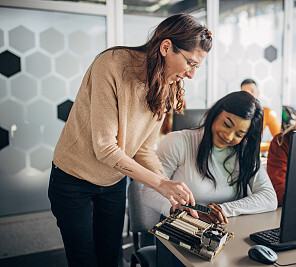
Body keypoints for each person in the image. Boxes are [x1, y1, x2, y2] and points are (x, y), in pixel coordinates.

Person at [48, 13, 212, 267]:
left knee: (111, 257)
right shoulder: (112, 65)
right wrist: (161, 184)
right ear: (166, 47)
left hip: (113, 182)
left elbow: (144, 150)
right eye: (190, 63)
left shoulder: (167, 85)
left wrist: (170, 187)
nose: (191, 75)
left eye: (197, 67)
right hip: (73, 179)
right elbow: (105, 148)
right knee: (83, 258)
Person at [143, 91, 278, 224]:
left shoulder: (244, 152)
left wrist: (222, 210)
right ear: (216, 114)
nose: (228, 136)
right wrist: (181, 210)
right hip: (180, 227)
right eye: (227, 124)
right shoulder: (177, 141)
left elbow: (269, 198)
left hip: (225, 229)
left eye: (239, 134)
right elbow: (149, 192)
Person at [240, 78, 281, 152]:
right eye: (245, 92)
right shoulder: (236, 112)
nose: (249, 95)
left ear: (257, 93)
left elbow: (279, 140)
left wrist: (258, 146)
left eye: (252, 91)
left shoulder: (267, 113)